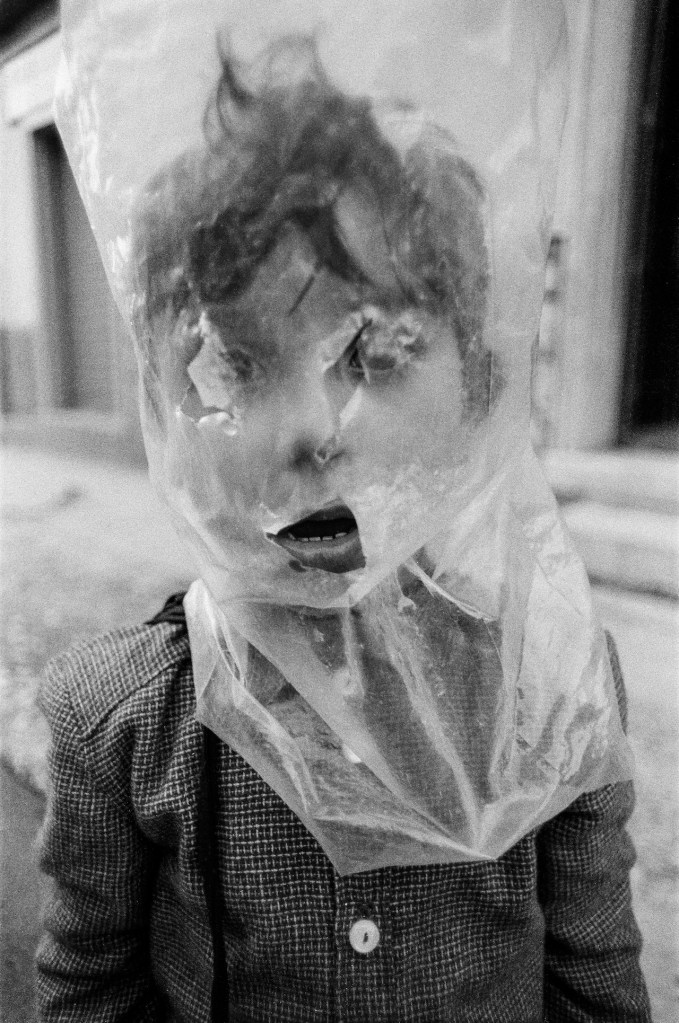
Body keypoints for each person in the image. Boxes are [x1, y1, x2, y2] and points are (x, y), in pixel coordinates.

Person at [36, 39, 652, 1022]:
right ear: (163, 412)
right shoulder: (123, 724)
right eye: (233, 364)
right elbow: (90, 986)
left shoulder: (549, 690)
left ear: (479, 390)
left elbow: (594, 979)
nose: (311, 430)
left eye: (378, 350)